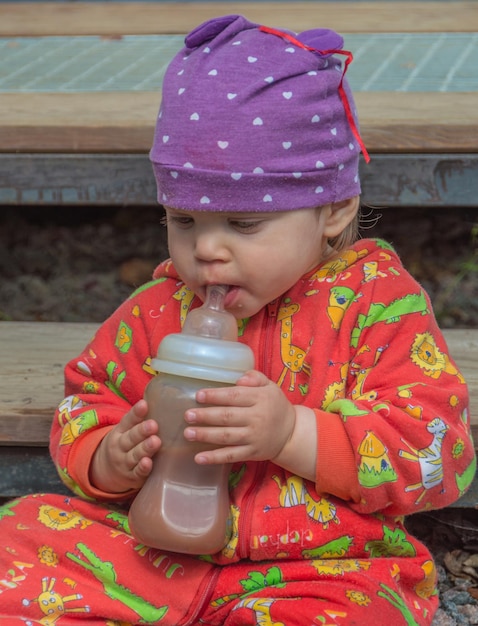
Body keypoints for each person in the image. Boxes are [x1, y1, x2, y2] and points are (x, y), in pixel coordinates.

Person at [0, 14, 475, 626]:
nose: (207, 251)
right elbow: (88, 395)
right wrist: (106, 456)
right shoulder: (159, 307)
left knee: (355, 613)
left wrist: (294, 435)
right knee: (18, 538)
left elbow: (438, 450)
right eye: (184, 221)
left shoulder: (376, 306)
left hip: (322, 566)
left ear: (333, 208)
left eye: (244, 224)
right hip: (150, 553)